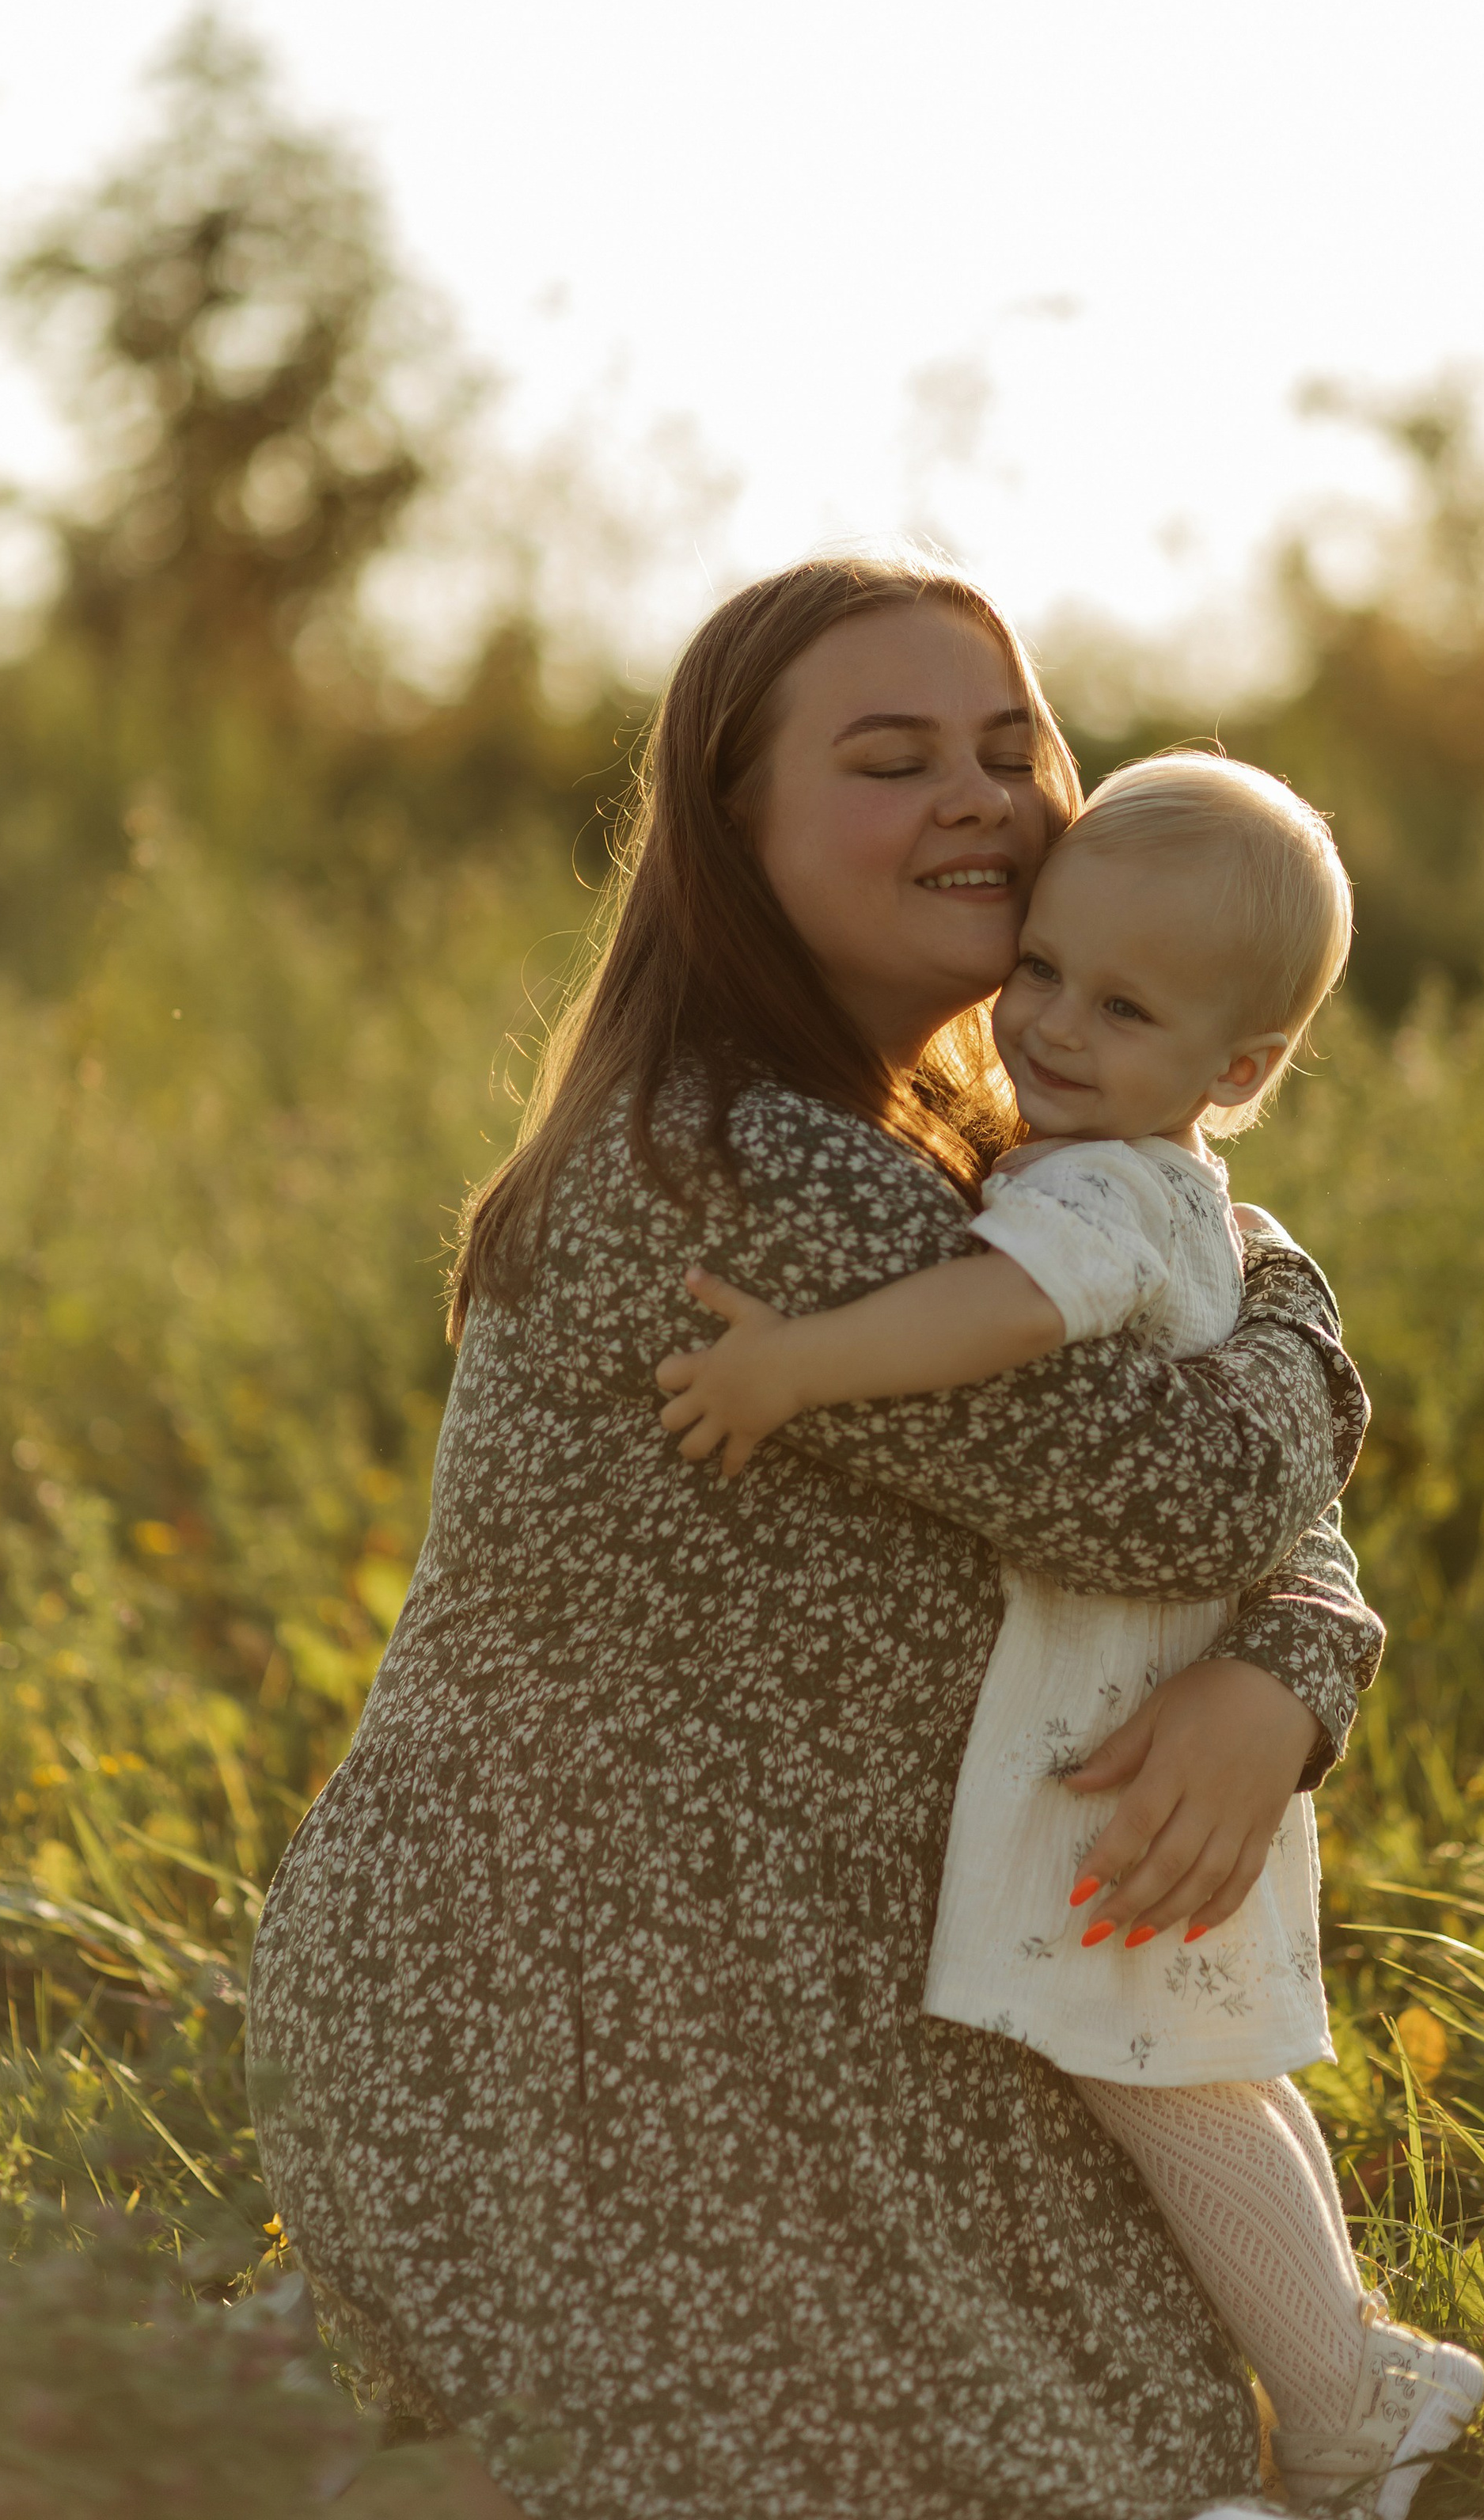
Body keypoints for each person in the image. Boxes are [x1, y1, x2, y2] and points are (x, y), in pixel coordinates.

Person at [246, 557, 1383, 2520]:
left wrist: (1280, 1671)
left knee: (1167, 2440)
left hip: (844, 1984)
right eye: (886, 759)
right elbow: (1182, 1482)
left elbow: (1217, 1468)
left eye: (1003, 743)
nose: (972, 794)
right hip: (565, 2015)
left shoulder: (988, 1152)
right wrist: (1289, 1305)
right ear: (731, 833)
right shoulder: (718, 1161)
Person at [655, 748, 1484, 2519]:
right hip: (1137, 1718)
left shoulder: (1107, 1188)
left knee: (1162, 2086)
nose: (1051, 1022)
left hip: (1110, 1750)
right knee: (1197, 2068)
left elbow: (994, 1311)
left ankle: (1345, 2404)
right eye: (1038, 969)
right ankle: (1366, 2374)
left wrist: (789, 1364)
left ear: (1238, 1070)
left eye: (1124, 1004)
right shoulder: (1140, 1167)